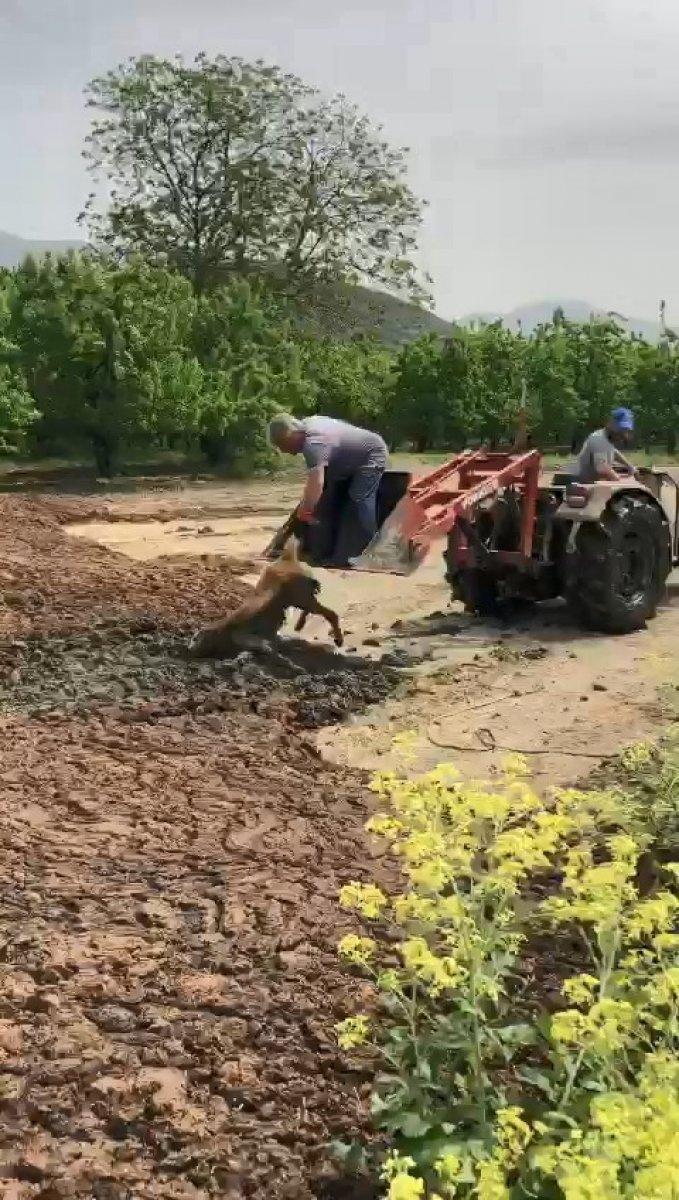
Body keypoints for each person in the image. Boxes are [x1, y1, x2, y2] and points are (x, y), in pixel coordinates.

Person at [268, 413, 389, 566]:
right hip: (345, 460)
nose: (285, 451)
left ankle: (366, 553)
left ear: (292, 435)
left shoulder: (313, 444)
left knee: (358, 499)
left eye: (283, 445)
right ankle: (325, 551)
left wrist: (306, 510)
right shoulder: (306, 426)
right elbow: (316, 487)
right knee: (326, 499)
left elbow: (316, 483)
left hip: (371, 455)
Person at [573, 407, 638, 483]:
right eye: (620, 428)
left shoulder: (607, 438)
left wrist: (629, 466)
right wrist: (622, 480)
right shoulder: (598, 439)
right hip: (583, 484)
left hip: (593, 482)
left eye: (625, 430)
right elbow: (602, 469)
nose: (622, 434)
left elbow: (613, 451)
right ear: (610, 423)